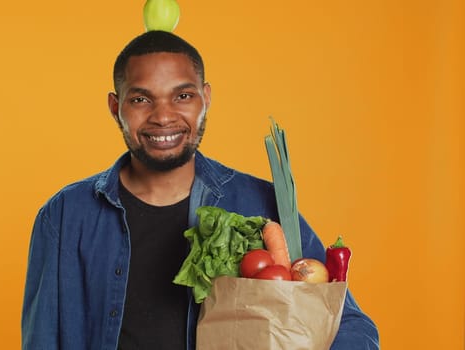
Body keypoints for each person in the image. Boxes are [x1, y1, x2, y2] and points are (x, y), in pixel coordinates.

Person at [21, 30, 379, 350]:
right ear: (116, 107)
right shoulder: (66, 215)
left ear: (205, 99)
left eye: (182, 96)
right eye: (141, 99)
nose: (163, 116)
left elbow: (351, 325)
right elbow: (42, 340)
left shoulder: (263, 204)